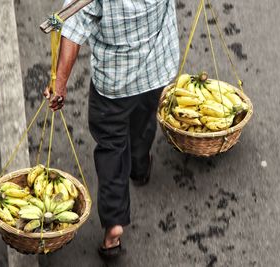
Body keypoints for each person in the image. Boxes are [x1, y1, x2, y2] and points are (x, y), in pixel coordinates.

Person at [44, 0, 179, 258]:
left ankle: (114, 226)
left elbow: (72, 28)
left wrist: (59, 84)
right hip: (156, 72)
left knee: (112, 147)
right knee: (143, 122)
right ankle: (139, 168)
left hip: (113, 85)